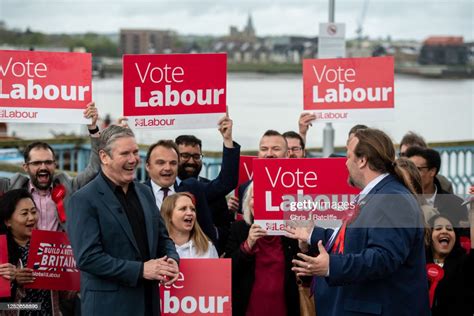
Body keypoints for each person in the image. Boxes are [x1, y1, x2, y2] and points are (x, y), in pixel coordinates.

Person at [286, 128, 430, 316]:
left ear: (362, 160)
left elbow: (383, 257)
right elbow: (356, 239)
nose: (345, 163)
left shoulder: (392, 198)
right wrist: (313, 234)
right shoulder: (376, 195)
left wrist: (331, 266)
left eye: (348, 156)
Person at [66, 125, 179, 316]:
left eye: (135, 152)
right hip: (109, 307)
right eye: (125, 153)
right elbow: (88, 258)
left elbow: (162, 237)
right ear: (104, 157)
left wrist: (172, 260)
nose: (133, 159)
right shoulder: (83, 199)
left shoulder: (144, 192)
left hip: (148, 304)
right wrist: (141, 270)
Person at [3, 102, 101, 232]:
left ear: (55, 165)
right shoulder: (13, 186)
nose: (43, 167)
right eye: (37, 163)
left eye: (48, 162)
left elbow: (94, 169)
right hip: (24, 251)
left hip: (61, 250)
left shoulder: (68, 186)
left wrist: (93, 128)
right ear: (25, 167)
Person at [145, 114, 239, 245]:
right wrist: (121, 135)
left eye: (172, 163)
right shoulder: (138, 192)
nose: (167, 168)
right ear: (148, 166)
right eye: (161, 163)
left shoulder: (193, 187)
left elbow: (226, 182)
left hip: (192, 260)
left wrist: (228, 139)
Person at [225, 182, 300, 316]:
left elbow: (306, 276)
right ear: (248, 203)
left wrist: (304, 246)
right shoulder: (239, 229)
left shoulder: (291, 232)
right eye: (254, 197)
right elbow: (228, 272)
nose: (260, 202)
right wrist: (247, 245)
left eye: (265, 197)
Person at [0, 189, 75, 315]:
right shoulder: (1, 251)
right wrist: (13, 282)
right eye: (24, 214)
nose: (31, 218)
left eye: (34, 212)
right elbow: (3, 306)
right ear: (8, 221)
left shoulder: (49, 246)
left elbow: (67, 295)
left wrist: (69, 274)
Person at [175, 134, 234, 254]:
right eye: (185, 156)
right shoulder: (161, 188)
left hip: (205, 259)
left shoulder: (211, 189)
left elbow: (226, 229)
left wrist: (212, 232)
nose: (191, 161)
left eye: (196, 156)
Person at [405, 146, 468, 228]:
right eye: (408, 169)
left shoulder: (456, 204)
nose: (411, 174)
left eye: (417, 169)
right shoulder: (402, 201)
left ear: (432, 171)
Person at [228, 129, 289, 214]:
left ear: (287, 154)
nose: (269, 154)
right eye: (264, 149)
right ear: (258, 154)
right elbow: (244, 222)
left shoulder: (303, 183)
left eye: (276, 149)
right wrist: (231, 211)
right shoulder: (245, 188)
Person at [426, 214, 474, 315]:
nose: (444, 231)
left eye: (449, 229)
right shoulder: (418, 265)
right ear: (429, 235)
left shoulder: (464, 264)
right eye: (438, 228)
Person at [160, 192, 218, 259]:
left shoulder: (207, 247)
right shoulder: (157, 248)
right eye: (183, 209)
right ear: (169, 215)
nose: (190, 213)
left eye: (192, 209)